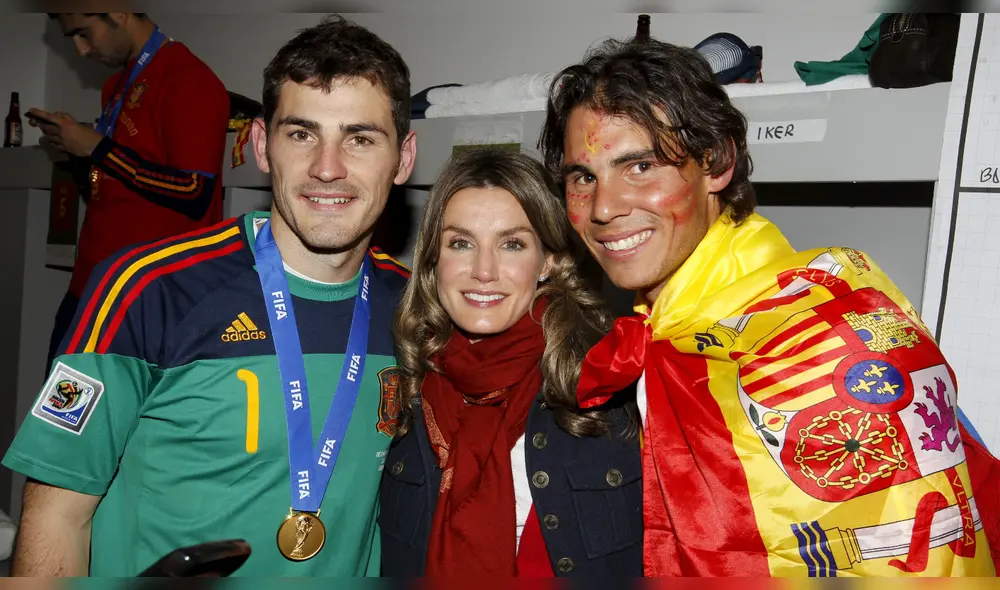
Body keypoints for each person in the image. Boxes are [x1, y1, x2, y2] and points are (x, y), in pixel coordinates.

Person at [539, 37, 999, 577]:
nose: (604, 208)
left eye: (640, 166)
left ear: (717, 163)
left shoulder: (824, 336)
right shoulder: (666, 333)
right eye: (583, 177)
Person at [2, 15, 416, 577]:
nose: (327, 168)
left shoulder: (415, 308)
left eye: (360, 139)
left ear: (405, 159)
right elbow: (55, 517)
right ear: (263, 146)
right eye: (301, 134)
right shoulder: (148, 290)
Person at [379, 148, 642, 577]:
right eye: (461, 243)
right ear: (433, 259)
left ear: (550, 260)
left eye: (513, 244)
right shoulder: (400, 384)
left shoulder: (614, 381)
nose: (484, 270)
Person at [36, 13, 230, 373]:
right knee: (60, 420)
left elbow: (194, 192)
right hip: (91, 285)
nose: (81, 50)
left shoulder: (190, 79)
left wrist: (97, 148)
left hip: (148, 298)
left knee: (125, 424)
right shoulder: (117, 86)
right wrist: (77, 152)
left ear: (118, 13)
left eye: (83, 32)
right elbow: (114, 192)